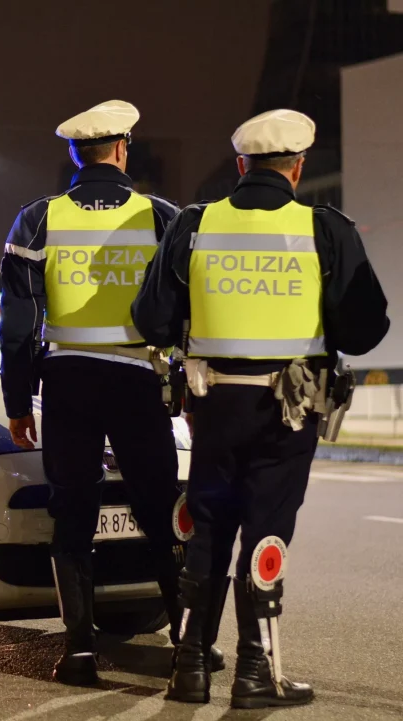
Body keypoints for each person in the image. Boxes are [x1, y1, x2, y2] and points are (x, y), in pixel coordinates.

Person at [132, 109, 389, 708]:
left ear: (241, 166)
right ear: (297, 168)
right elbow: (365, 327)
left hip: (211, 403)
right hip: (288, 410)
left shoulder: (195, 224)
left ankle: (189, 669)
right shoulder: (325, 229)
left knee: (208, 526)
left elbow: (151, 319)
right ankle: (255, 674)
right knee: (267, 528)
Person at [0, 100, 221, 685]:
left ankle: (77, 652)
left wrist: (18, 403)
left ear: (75, 154)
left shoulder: (38, 219)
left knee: (73, 512)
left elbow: (18, 326)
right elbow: (193, 312)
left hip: (67, 383)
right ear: (124, 149)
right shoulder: (162, 217)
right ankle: (187, 643)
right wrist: (193, 394)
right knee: (158, 509)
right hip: (138, 381)